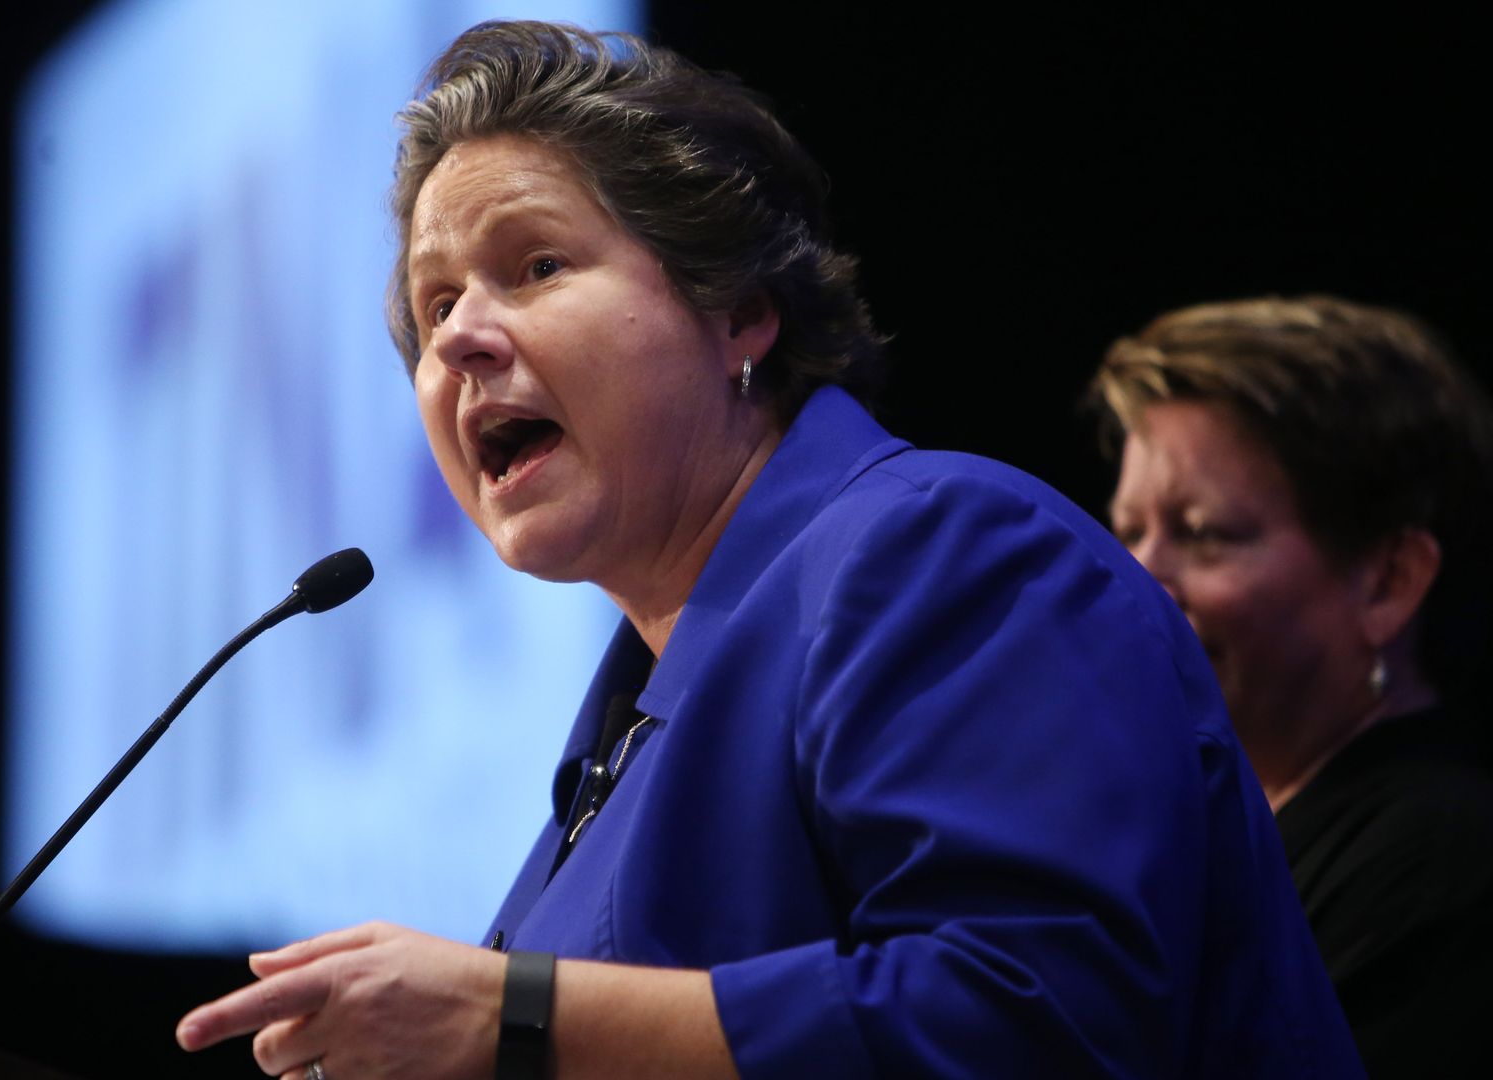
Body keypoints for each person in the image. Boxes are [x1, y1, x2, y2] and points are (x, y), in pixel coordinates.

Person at [175, 22, 1361, 1077]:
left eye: (536, 266)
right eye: (435, 307)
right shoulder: (619, 737)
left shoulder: (943, 551)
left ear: (739, 312)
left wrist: (513, 1019)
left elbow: (1034, 1022)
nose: (461, 341)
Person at [1093, 294, 1493, 1075]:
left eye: (1203, 534)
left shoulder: (1445, 868)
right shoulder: (1164, 821)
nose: (1136, 583)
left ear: (1388, 581)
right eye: (1128, 533)